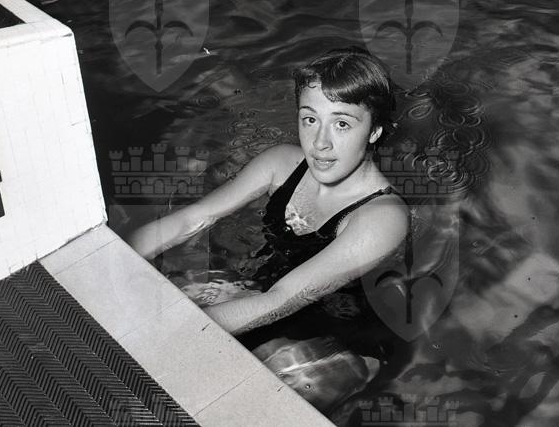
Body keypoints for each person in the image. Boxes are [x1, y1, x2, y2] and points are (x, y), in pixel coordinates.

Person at [128, 46, 408, 341]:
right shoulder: (281, 163)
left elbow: (279, 300)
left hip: (329, 331)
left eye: (341, 124)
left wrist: (172, 334)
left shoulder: (383, 218)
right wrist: (116, 260)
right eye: (310, 119)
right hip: (258, 290)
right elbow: (193, 218)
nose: (320, 143)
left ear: (374, 131)